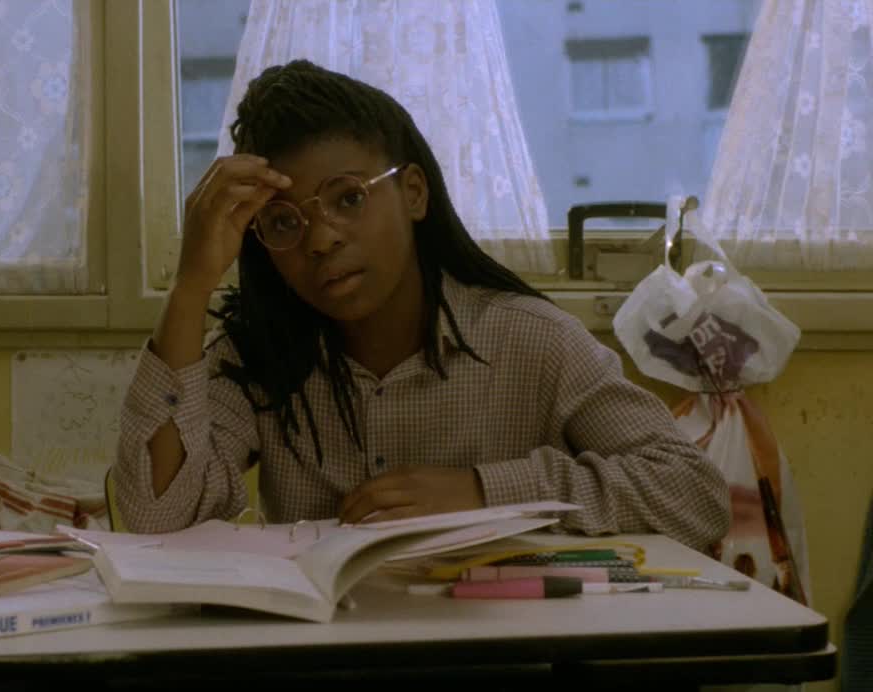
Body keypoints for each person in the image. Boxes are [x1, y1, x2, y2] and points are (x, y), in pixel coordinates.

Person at [111, 59, 730, 549]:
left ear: (412, 193)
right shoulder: (258, 358)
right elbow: (155, 523)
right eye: (283, 223)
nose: (320, 240)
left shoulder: (533, 340)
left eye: (348, 198)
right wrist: (191, 283)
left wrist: (485, 493)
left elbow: (694, 495)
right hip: (326, 649)